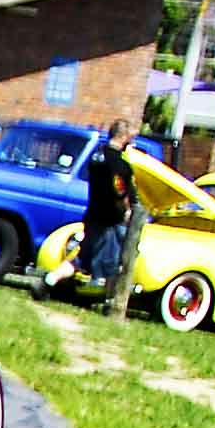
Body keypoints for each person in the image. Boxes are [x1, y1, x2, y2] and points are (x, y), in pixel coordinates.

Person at [79, 115, 137, 295]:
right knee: (110, 263)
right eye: (129, 138)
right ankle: (104, 296)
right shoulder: (119, 164)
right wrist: (126, 210)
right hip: (110, 220)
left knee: (86, 258)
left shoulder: (96, 157)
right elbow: (119, 191)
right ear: (123, 137)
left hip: (93, 213)